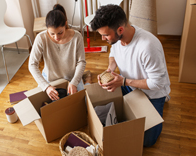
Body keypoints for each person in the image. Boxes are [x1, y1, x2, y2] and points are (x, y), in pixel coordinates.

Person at [90, 4, 171, 147]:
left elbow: (157, 83)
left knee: (146, 141)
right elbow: (113, 54)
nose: (103, 39)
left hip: (151, 93)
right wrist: (110, 70)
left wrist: (124, 82)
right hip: (128, 84)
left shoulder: (148, 46)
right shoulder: (115, 38)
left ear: (120, 29)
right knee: (97, 101)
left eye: (105, 35)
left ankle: (164, 99)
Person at [29, 4, 86, 101]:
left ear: (65, 24)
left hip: (71, 78)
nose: (56, 37)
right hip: (50, 79)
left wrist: (74, 82)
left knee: (82, 104)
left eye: (60, 32)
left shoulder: (77, 37)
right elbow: (32, 65)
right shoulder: (41, 38)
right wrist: (46, 86)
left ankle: (86, 82)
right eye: (52, 34)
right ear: (47, 29)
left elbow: (81, 62)